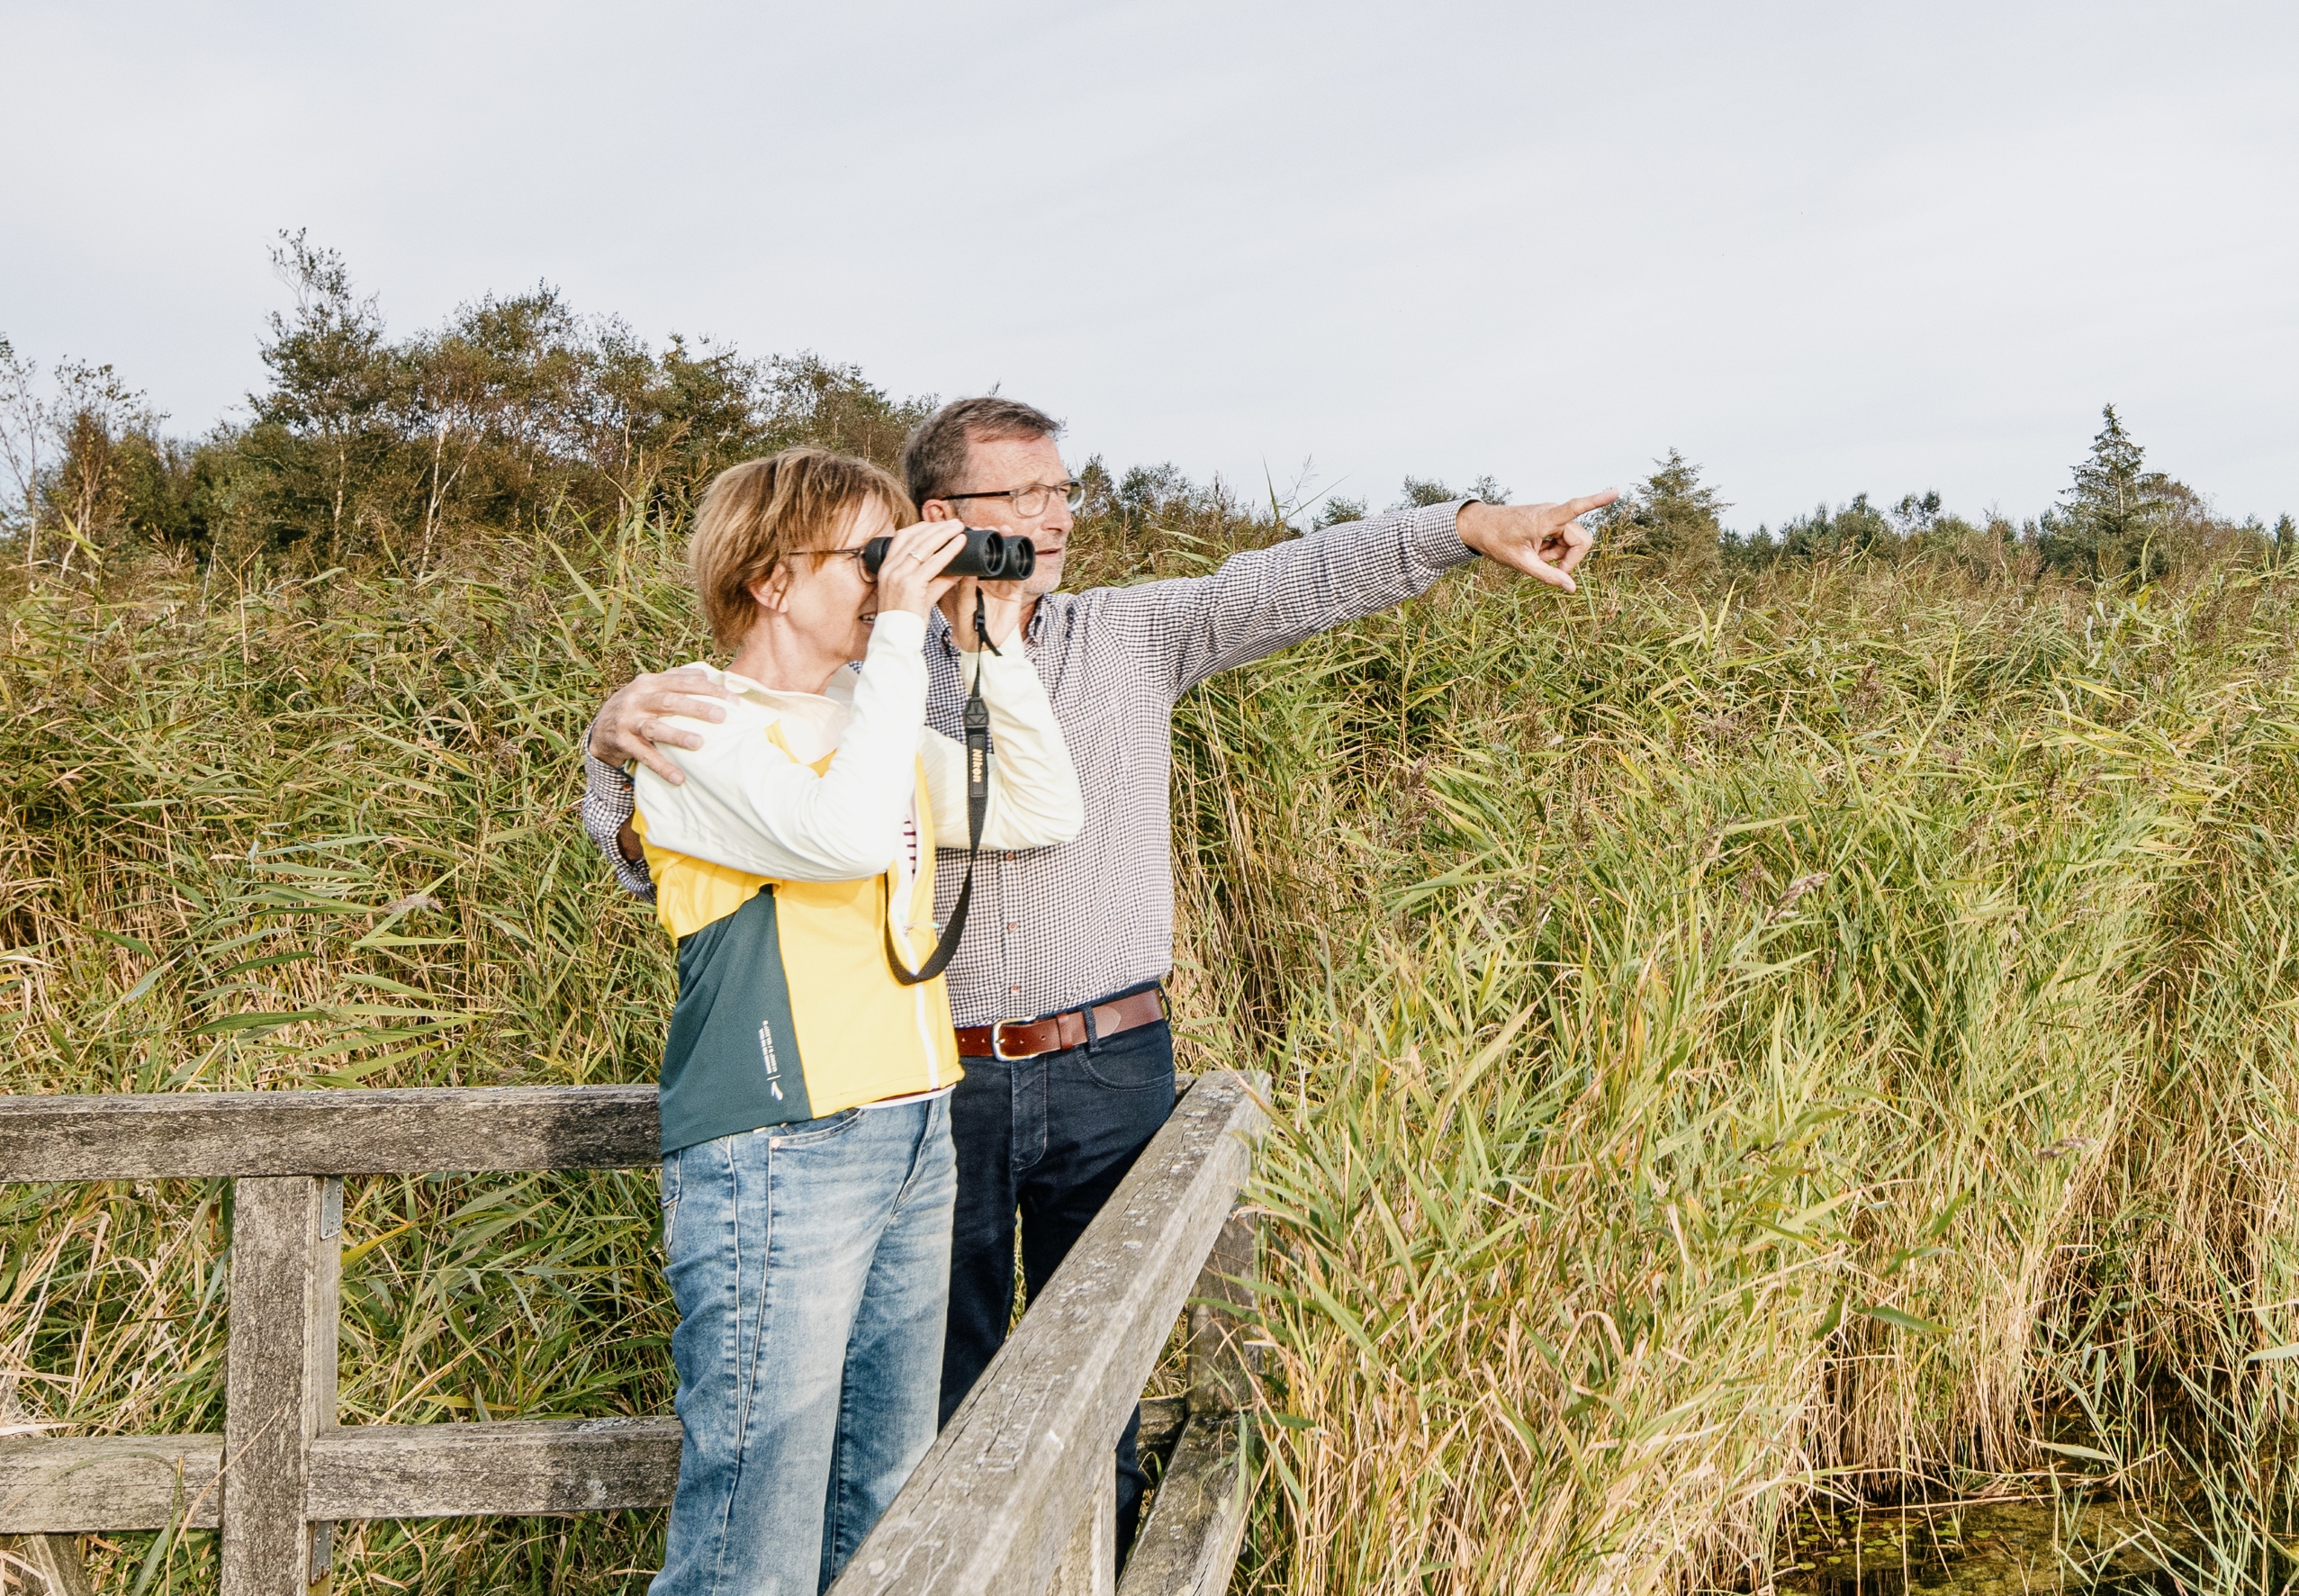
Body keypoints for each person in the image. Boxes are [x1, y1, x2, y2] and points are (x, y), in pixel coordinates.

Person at [584, 404, 1609, 1501]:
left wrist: (1462, 528)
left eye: (1064, 490)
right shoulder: (857, 665)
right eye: (1021, 496)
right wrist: (614, 752)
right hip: (937, 1076)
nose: (1055, 517)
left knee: (1103, 1379)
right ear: (939, 517)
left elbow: (1292, 580)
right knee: (934, 1401)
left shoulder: (1130, 633)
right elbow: (687, 845)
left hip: (1108, 1060)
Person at [600, 446, 1084, 1596]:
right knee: (749, 1539)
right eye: (868, 553)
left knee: (881, 1516)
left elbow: (1042, 812)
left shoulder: (868, 720)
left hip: (909, 1130)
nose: (895, 574)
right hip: (779, 1148)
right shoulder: (691, 721)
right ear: (768, 576)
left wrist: (990, 658)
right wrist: (899, 657)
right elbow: (823, 838)